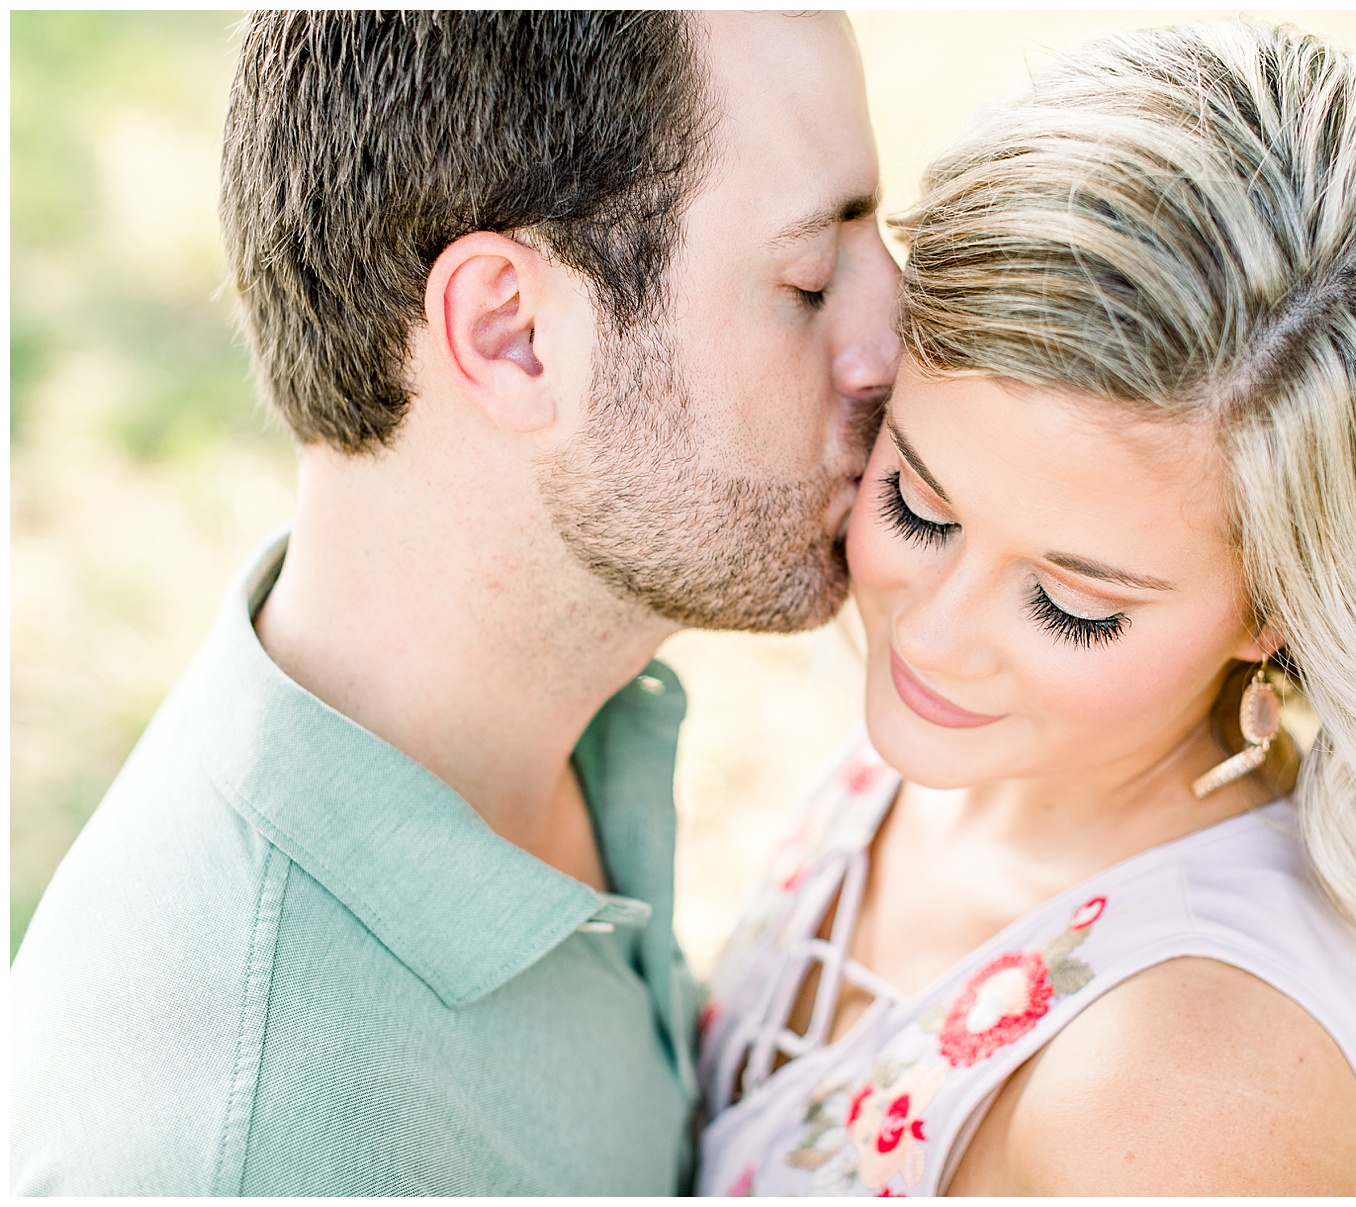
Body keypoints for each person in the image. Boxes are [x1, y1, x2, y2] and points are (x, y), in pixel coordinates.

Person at [11, 11, 899, 1196]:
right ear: (511, 332)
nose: (891, 340)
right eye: (807, 278)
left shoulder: (557, 730)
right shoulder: (251, 1146)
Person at [696, 18, 1356, 1196]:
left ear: (1282, 609)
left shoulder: (1192, 1101)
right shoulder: (989, 750)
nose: (929, 633)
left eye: (1074, 606)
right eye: (922, 506)